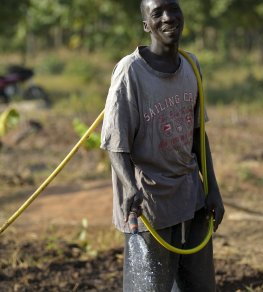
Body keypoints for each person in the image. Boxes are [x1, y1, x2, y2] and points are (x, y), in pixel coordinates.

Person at [100, 0, 225, 291]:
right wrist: (130, 187)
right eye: (157, 13)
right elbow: (115, 143)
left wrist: (213, 189)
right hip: (148, 204)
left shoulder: (191, 65)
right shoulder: (130, 72)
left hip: (191, 198)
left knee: (201, 285)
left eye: (173, 9)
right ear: (147, 24)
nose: (168, 18)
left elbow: (197, 134)